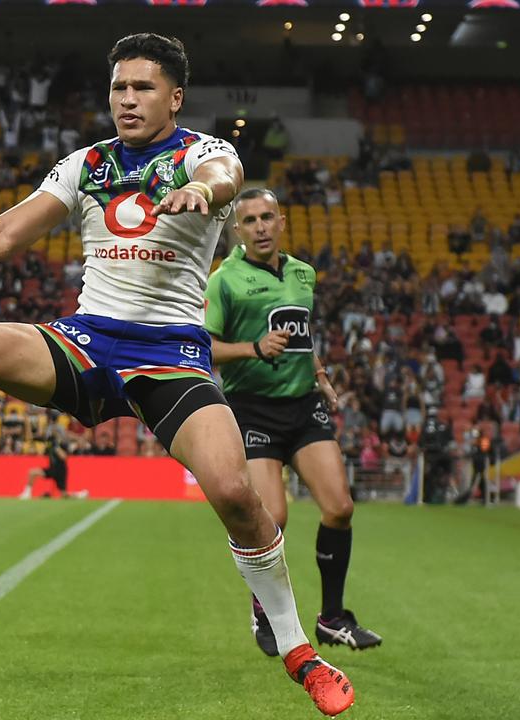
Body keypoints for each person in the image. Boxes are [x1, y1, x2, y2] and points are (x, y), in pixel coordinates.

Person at [0, 34, 353, 716]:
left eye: (143, 88)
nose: (127, 100)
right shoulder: (87, 163)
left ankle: (299, 651)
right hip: (89, 340)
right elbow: (6, 234)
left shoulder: (205, 153)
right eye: (119, 88)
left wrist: (201, 193)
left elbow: (226, 179)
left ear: (174, 96)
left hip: (171, 352)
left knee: (235, 491)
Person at [203, 187, 382, 656]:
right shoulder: (225, 280)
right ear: (237, 230)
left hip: (303, 404)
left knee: (340, 507)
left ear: (281, 221)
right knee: (273, 517)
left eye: (267, 217)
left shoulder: (304, 273)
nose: (260, 227)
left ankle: (332, 619)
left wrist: (319, 372)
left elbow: (302, 334)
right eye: (250, 221)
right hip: (253, 405)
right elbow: (206, 347)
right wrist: (253, 349)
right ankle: (264, 610)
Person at [19, 427, 76, 499]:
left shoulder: (63, 444)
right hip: (52, 468)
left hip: (61, 470)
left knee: (64, 495)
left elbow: (64, 457)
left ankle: (78, 495)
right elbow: (43, 448)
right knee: (32, 472)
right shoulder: (50, 443)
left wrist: (56, 447)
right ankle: (27, 494)